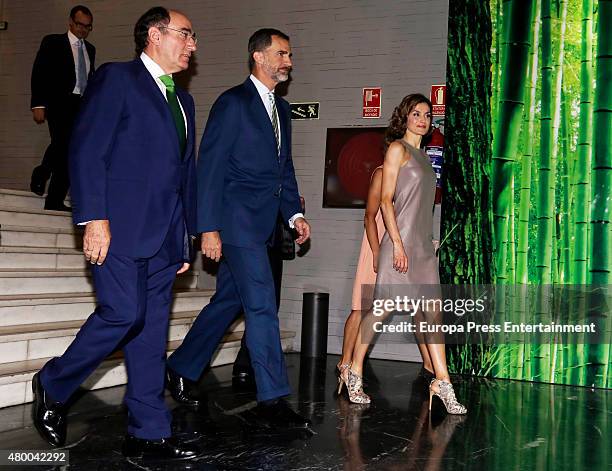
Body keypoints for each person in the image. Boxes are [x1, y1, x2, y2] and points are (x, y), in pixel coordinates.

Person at [31, 7, 202, 461]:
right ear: (154, 34)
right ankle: (53, 383)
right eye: (185, 35)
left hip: (166, 236)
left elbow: (186, 173)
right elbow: (87, 148)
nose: (192, 45)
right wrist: (93, 218)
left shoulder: (183, 101)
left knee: (150, 331)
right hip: (120, 227)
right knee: (124, 313)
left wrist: (185, 235)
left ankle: (149, 428)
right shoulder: (117, 78)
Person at [166, 28, 312, 428]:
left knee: (230, 301)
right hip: (235, 223)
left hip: (263, 224)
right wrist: (207, 227)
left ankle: (181, 365)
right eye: (282, 53)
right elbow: (208, 167)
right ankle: (273, 401)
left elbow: (284, 171)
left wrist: (294, 215)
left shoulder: (281, 110)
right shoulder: (233, 103)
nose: (289, 61)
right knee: (263, 303)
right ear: (259, 57)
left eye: (290, 54)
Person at [342, 94, 467, 414]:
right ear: (405, 117)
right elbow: (385, 202)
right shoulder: (397, 149)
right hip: (399, 244)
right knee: (380, 311)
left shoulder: (426, 158)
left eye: (427, 115)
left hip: (423, 248)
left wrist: (429, 241)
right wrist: (396, 244)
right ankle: (354, 371)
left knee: (433, 316)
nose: (423, 119)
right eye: (416, 113)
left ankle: (442, 382)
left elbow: (421, 205)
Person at [30, 5, 95, 211]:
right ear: (70, 22)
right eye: (79, 25)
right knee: (62, 142)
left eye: (87, 27)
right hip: (59, 103)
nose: (83, 30)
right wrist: (38, 104)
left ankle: (54, 199)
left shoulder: (90, 49)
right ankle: (41, 173)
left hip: (81, 105)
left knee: (71, 151)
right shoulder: (53, 42)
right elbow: (39, 72)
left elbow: (89, 77)